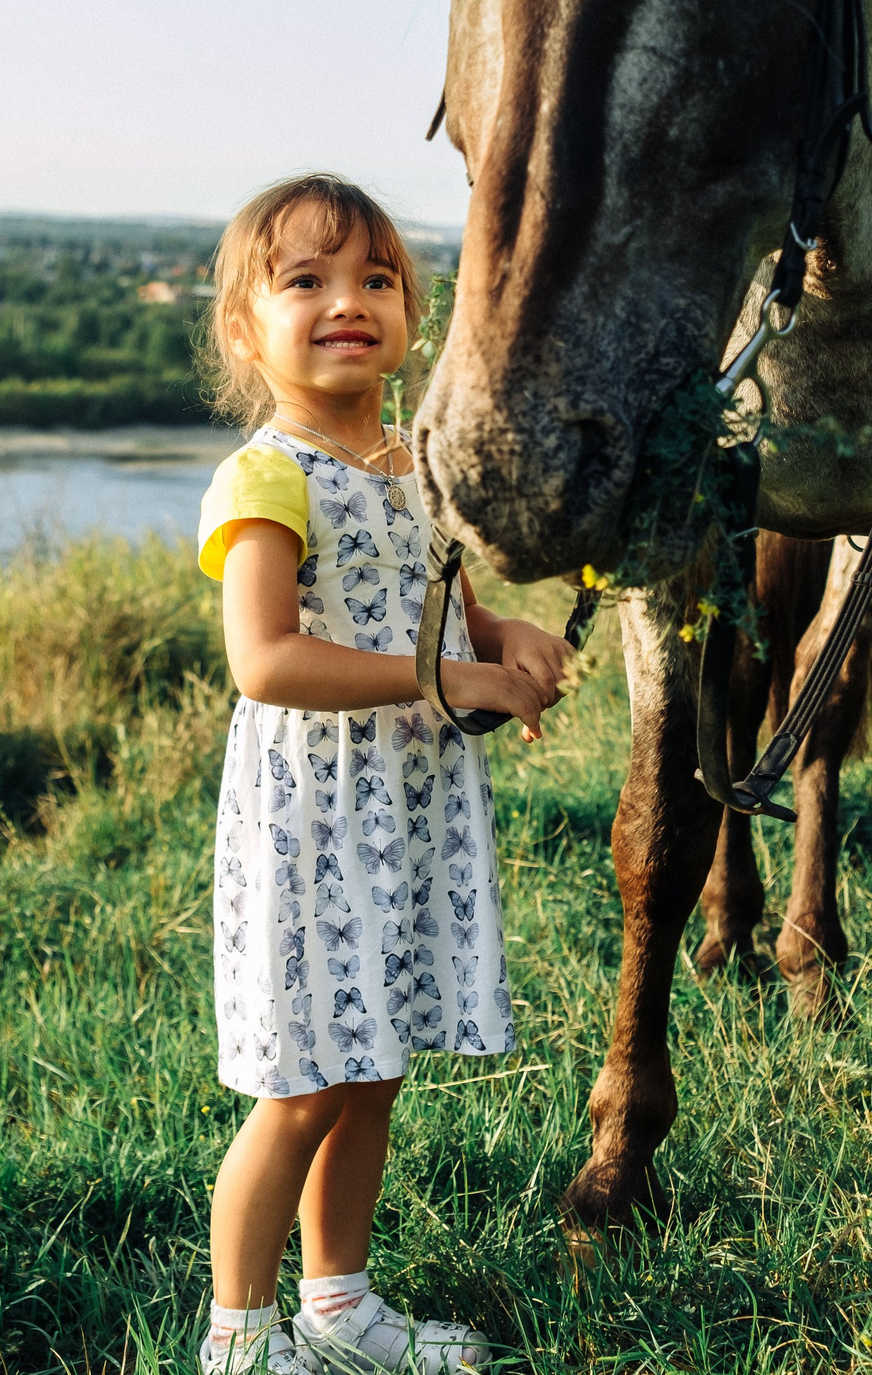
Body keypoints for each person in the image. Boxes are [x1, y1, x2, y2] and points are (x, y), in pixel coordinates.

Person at [194, 174, 574, 1373]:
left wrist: (504, 637)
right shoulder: (268, 475)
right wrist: (448, 678)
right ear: (244, 328)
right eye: (304, 281)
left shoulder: (417, 461)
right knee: (304, 1087)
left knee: (372, 1072)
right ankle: (239, 1340)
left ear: (413, 311)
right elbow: (264, 659)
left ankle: (339, 1309)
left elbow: (441, 601)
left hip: (402, 813)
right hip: (313, 816)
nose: (346, 303)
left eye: (375, 280)